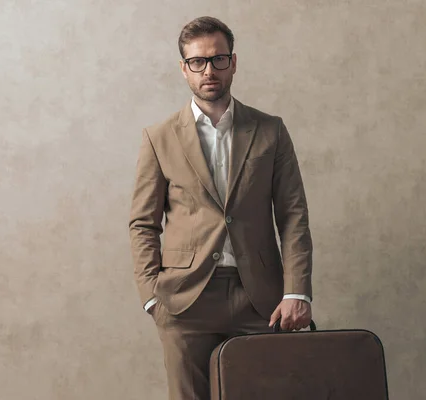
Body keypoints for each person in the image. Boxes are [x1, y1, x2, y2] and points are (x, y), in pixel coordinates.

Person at [128, 16, 314, 400]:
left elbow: (293, 216)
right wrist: (151, 295)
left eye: (218, 59)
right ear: (184, 69)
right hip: (185, 300)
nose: (208, 70)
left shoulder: (270, 130)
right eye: (197, 62)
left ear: (233, 62)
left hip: (260, 298)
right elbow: (143, 224)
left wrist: (298, 291)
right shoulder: (159, 138)